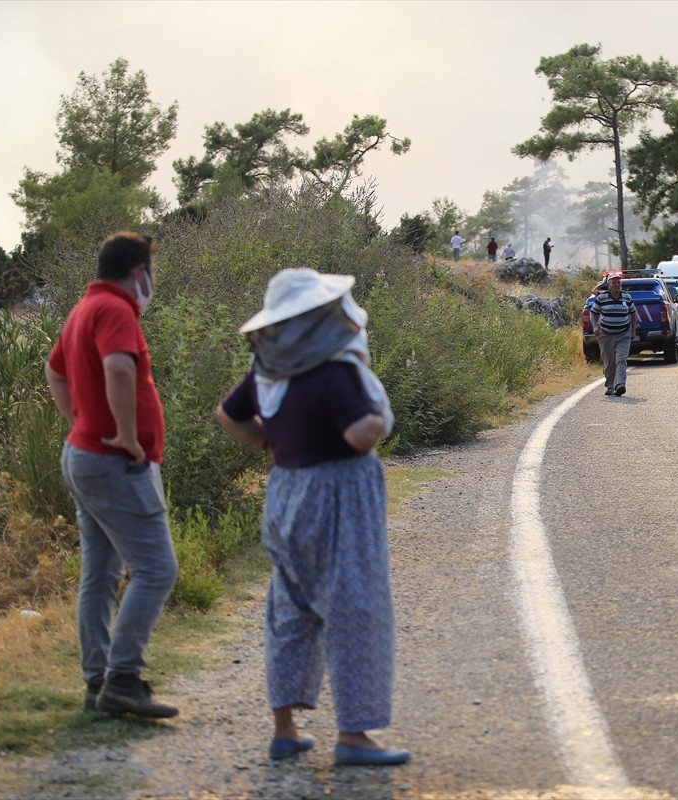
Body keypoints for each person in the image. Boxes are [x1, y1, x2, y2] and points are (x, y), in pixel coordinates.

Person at [215, 268, 409, 767]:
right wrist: (378, 416)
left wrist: (271, 442)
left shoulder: (267, 370)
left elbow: (228, 415)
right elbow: (361, 435)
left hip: (285, 492)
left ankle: (285, 729)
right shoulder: (333, 370)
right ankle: (354, 736)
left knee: (290, 607)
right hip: (339, 493)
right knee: (355, 608)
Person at [44, 231, 180, 719]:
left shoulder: (84, 309)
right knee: (157, 569)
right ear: (138, 272)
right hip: (115, 462)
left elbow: (53, 371)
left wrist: (81, 421)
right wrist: (124, 434)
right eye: (151, 271)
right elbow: (119, 369)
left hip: (83, 455)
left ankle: (97, 684)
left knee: (99, 575)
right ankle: (123, 680)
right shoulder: (116, 310)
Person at [589, 271, 637, 397]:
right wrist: (595, 327)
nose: (617, 285)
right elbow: (593, 313)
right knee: (609, 361)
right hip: (606, 334)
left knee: (621, 358)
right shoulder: (601, 297)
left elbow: (633, 313)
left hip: (623, 334)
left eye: (618, 282)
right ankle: (610, 386)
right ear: (608, 285)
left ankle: (620, 384)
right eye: (614, 283)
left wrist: (633, 330)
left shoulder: (627, 297)